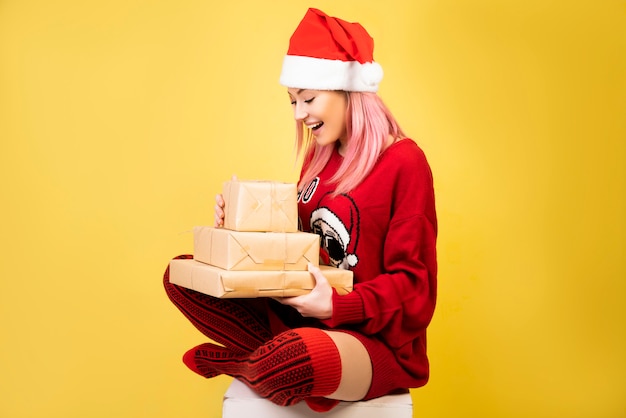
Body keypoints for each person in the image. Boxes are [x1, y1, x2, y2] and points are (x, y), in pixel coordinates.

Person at [163, 8, 437, 412]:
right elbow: (295, 246)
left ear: (348, 91)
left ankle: (250, 363)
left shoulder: (404, 163)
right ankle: (270, 359)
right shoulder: (320, 156)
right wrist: (238, 226)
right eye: (292, 101)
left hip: (369, 340)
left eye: (308, 99)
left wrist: (335, 305)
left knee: (294, 363)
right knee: (181, 275)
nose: (299, 114)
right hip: (300, 319)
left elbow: (417, 289)